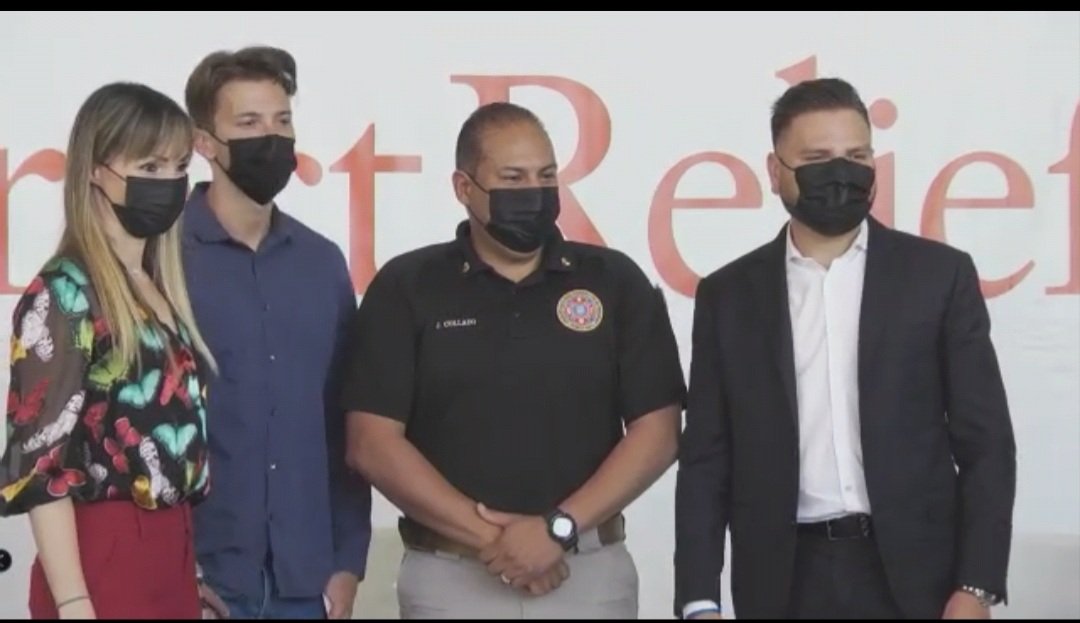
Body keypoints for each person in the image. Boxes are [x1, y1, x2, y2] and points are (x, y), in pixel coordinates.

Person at [674, 77, 1017, 619]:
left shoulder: (938, 276)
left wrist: (976, 585)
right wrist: (699, 599)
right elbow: (706, 458)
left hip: (918, 578)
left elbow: (986, 442)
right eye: (817, 157)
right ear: (774, 170)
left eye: (856, 155)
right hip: (783, 580)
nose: (841, 172)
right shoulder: (729, 295)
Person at [341, 101, 687, 619]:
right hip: (451, 579)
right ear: (464, 188)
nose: (534, 191)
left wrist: (558, 531)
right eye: (512, 177)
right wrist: (498, 542)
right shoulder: (407, 286)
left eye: (546, 175)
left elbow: (658, 430)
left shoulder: (614, 282)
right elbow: (372, 443)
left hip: (588, 576)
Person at [0, 82, 216, 619]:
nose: (168, 182)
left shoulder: (155, 286)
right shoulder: (66, 295)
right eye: (148, 166)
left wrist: (186, 569)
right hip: (102, 559)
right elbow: (40, 463)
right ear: (96, 169)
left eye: (177, 165)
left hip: (173, 550)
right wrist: (74, 601)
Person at [181, 46, 371, 620]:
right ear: (205, 143)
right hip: (200, 577)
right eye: (249, 123)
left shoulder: (321, 262)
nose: (272, 137)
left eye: (281, 121)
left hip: (304, 580)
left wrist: (346, 560)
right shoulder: (160, 259)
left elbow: (344, 417)